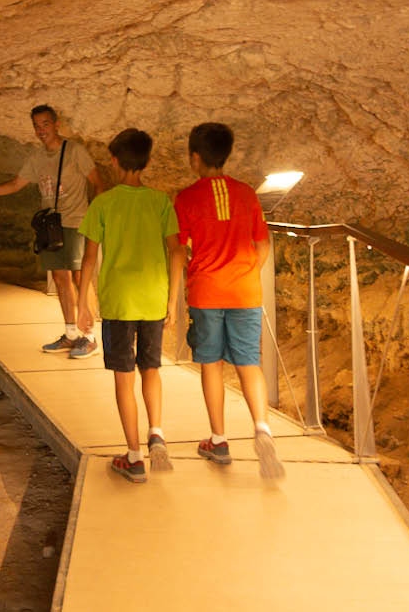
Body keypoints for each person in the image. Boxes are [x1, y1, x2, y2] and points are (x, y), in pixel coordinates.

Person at [173, 122, 284, 480]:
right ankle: (262, 429)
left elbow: (179, 247)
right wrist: (249, 272)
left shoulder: (187, 198)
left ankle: (218, 441)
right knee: (249, 362)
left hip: (206, 291)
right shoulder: (247, 194)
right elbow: (263, 244)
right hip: (245, 291)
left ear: (195, 157)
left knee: (211, 364)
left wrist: (175, 292)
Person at [76, 128, 183, 483]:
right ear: (147, 162)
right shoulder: (160, 201)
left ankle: (134, 457)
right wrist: (172, 299)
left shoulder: (103, 203)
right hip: (153, 299)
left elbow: (89, 258)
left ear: (114, 161)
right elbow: (176, 250)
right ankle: (157, 432)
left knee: (124, 379)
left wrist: (82, 302)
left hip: (119, 302)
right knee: (150, 369)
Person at [0, 104, 106, 358]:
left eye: (45, 124)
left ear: (56, 125)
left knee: (79, 278)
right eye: (36, 125)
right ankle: (71, 333)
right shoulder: (36, 157)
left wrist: (95, 218)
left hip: (76, 221)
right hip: (50, 225)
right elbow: (15, 184)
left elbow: (98, 183)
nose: (40, 130)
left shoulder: (74, 150)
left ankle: (90, 336)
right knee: (61, 279)